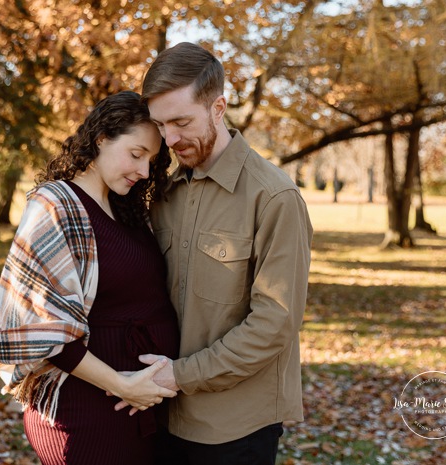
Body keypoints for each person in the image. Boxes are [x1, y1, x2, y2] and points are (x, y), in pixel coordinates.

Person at [129, 42, 314, 465]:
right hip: (161, 415)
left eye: (181, 121)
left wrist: (181, 375)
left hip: (234, 426)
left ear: (219, 107)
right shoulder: (164, 193)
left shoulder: (274, 197)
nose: (170, 139)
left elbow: (275, 322)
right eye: (160, 125)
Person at [0, 91, 180, 465]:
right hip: (87, 412)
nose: (143, 171)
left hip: (137, 412)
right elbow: (43, 322)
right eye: (136, 154)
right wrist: (123, 385)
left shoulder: (127, 210)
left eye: (151, 161)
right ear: (102, 138)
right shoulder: (55, 205)